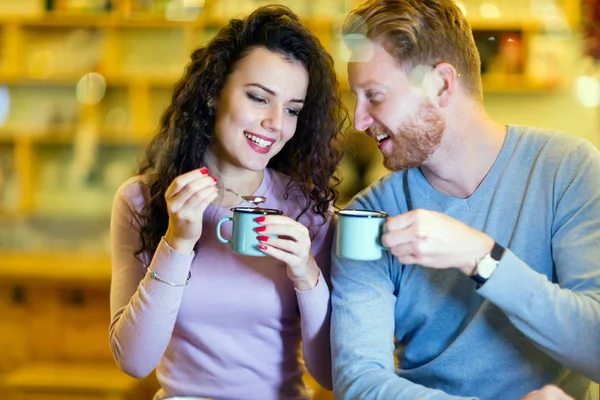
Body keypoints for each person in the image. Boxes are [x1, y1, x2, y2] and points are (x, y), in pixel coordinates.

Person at [330, 1, 600, 399]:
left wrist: (480, 256)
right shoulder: (367, 216)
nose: (359, 120)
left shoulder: (568, 169)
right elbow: (359, 382)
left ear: (440, 85)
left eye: (374, 95)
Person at [109, 5, 346, 400]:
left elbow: (330, 376)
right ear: (212, 95)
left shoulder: (311, 211)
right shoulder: (141, 200)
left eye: (291, 110)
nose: (275, 122)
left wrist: (307, 274)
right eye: (258, 97)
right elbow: (134, 361)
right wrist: (177, 243)